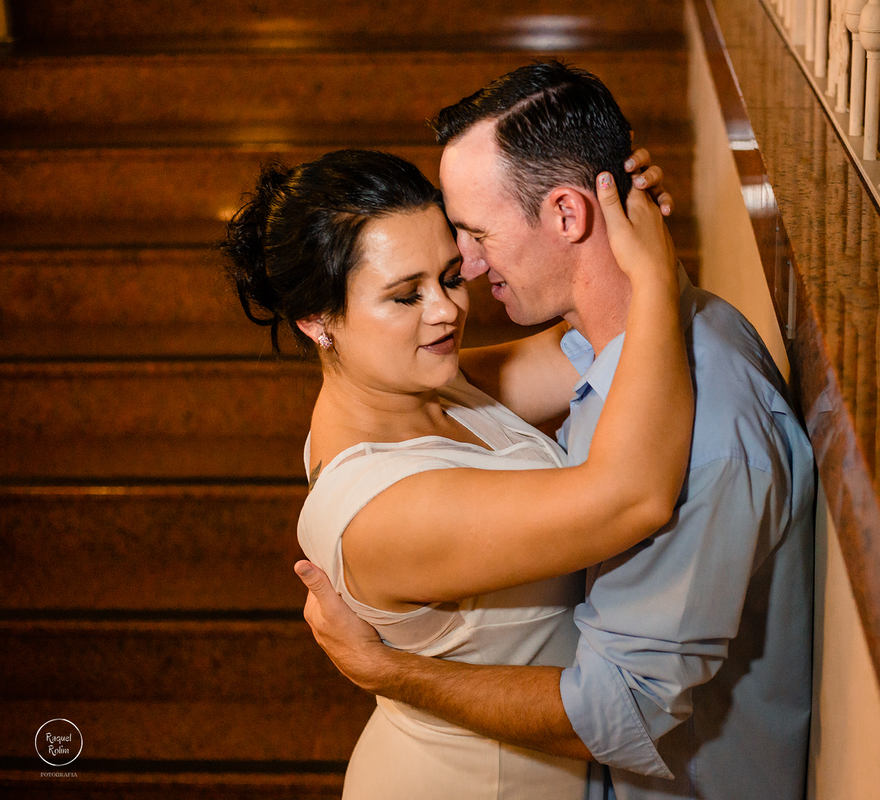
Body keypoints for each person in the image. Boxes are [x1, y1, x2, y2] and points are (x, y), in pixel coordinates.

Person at [296, 61, 817, 800]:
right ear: (319, 321)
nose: (464, 277)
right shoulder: (411, 423)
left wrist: (391, 671)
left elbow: (619, 706)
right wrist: (635, 254)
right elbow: (620, 460)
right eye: (407, 292)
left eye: (468, 242)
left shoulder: (702, 424)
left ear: (570, 214)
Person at [221, 147, 693, 798]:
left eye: (449, 277)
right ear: (316, 320)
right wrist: (655, 274)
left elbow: (610, 336)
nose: (445, 310)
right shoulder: (379, 513)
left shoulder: (433, 384)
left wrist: (616, 221)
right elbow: (632, 498)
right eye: (405, 295)